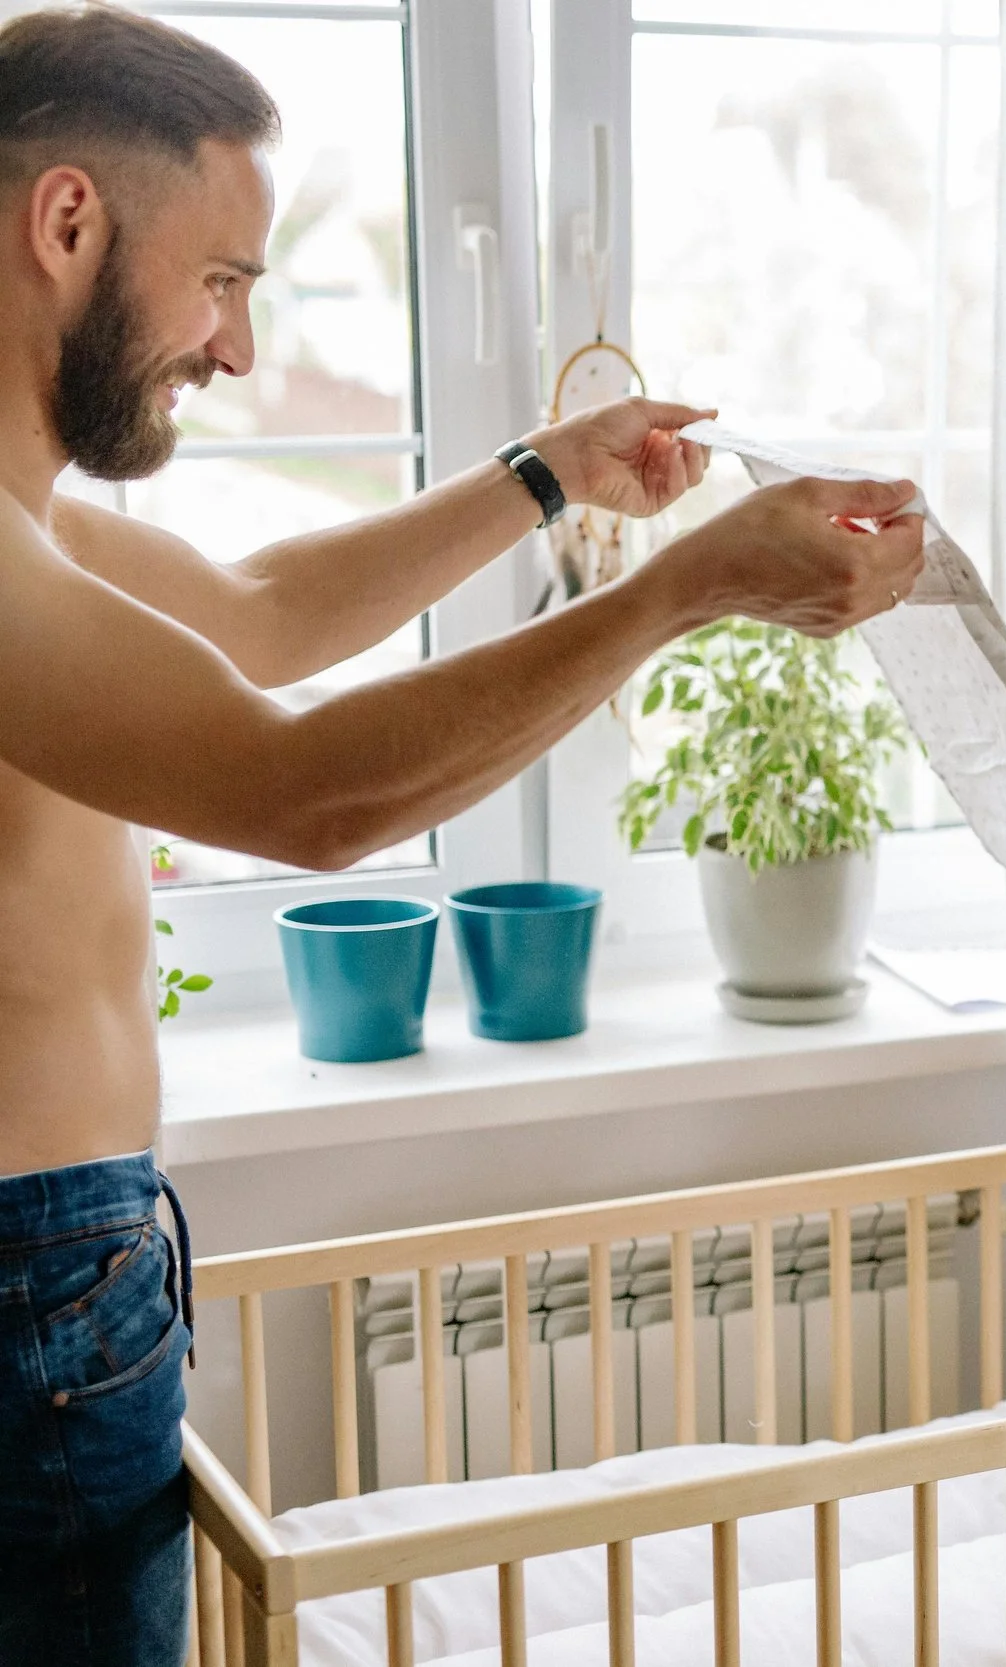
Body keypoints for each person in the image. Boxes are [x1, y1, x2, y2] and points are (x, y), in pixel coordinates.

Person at [0, 9, 926, 1661]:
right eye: (223, 280)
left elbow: (262, 615)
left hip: (67, 1266)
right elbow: (302, 789)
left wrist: (545, 476)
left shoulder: (37, 530)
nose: (233, 352)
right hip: (26, 1285)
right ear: (67, 224)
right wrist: (687, 592)